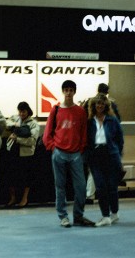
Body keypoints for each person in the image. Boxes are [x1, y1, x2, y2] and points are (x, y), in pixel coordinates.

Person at [42, 80, 95, 228]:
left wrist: (81, 148)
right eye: (66, 90)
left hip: (75, 153)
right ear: (63, 91)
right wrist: (52, 147)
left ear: (74, 92)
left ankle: (78, 215)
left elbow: (83, 132)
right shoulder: (56, 110)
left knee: (81, 186)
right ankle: (63, 217)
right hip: (59, 152)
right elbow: (47, 132)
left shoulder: (80, 112)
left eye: (71, 90)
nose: (68, 92)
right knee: (60, 186)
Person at [82, 83, 123, 204]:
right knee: (107, 176)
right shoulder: (111, 106)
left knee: (94, 173)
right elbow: (118, 127)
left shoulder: (89, 103)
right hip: (109, 149)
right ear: (107, 92)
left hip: (96, 148)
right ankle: (108, 203)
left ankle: (90, 195)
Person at [86, 93, 124, 227]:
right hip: (96, 156)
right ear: (93, 106)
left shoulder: (112, 120)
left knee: (112, 186)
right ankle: (105, 215)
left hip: (111, 155)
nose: (100, 106)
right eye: (97, 103)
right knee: (100, 186)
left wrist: (117, 154)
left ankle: (114, 213)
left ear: (106, 105)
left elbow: (120, 139)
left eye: (102, 103)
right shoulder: (89, 121)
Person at [5, 102, 40, 208]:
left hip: (26, 154)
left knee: (26, 178)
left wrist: (18, 139)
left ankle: (24, 198)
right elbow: (6, 123)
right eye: (20, 111)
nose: (21, 114)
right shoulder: (15, 119)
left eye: (23, 111)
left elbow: (32, 141)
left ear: (28, 111)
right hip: (13, 152)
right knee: (12, 176)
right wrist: (14, 126)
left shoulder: (34, 124)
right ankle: (13, 198)